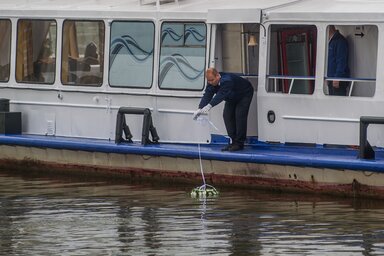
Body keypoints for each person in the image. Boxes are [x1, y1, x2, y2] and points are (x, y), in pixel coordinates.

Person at [193, 68, 253, 152]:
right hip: (231, 96)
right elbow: (207, 94)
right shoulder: (211, 82)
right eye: (209, 80)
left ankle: (239, 143)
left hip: (244, 94)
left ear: (218, 76)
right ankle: (233, 141)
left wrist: (209, 106)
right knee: (227, 116)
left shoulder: (227, 80)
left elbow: (220, 95)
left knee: (239, 116)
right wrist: (200, 108)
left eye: (212, 80)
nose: (210, 82)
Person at [327, 25, 350, 96]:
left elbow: (341, 61)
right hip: (331, 78)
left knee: (338, 104)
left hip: (338, 80)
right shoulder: (331, 41)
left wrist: (337, 77)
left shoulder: (340, 41)